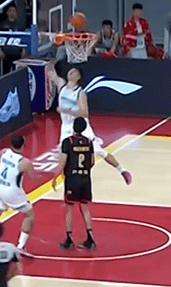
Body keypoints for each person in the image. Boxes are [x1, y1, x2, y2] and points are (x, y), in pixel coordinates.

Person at [56, 67, 133, 185]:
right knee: (63, 152)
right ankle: (66, 178)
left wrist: (65, 110)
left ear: (78, 77)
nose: (70, 72)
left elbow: (84, 112)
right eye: (70, 71)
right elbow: (52, 73)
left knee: (99, 151)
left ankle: (122, 171)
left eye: (74, 72)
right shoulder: (62, 86)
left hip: (81, 125)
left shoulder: (80, 93)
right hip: (66, 127)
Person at [0, 136, 36, 255]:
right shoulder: (25, 162)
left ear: (11, 144)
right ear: (23, 146)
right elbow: (33, 178)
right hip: (12, 192)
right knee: (29, 215)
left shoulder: (3, 152)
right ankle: (20, 246)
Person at [54, 118, 97, 249]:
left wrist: (56, 176)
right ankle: (90, 238)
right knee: (85, 208)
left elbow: (63, 161)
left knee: (69, 208)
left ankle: (69, 239)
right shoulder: (89, 142)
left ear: (73, 126)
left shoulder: (68, 142)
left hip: (72, 179)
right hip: (85, 179)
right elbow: (92, 162)